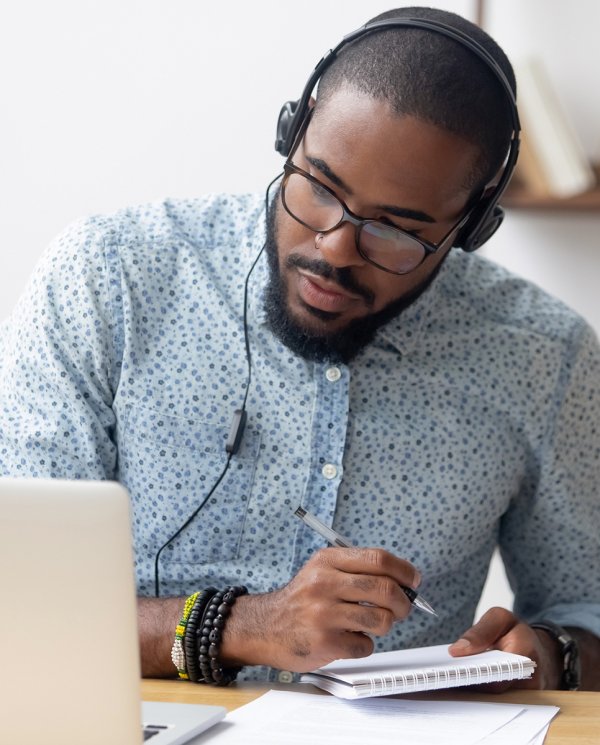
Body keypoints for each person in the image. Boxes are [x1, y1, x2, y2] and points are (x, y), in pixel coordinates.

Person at [1, 6, 599, 691]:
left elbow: (587, 610)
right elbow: (18, 599)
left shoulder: (547, 357)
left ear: (470, 226)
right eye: (320, 188)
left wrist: (550, 656)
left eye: (395, 231)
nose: (334, 248)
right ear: (297, 127)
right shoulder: (109, 280)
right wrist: (245, 625)